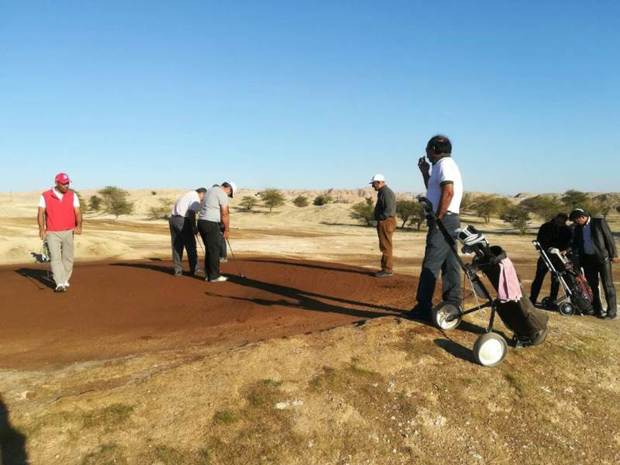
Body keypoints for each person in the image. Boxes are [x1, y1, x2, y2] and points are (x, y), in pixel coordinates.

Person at [408, 135, 463, 320]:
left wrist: (438, 218)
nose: (426, 153)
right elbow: (435, 190)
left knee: (431, 263)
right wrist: (425, 172)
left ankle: (423, 308)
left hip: (444, 219)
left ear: (434, 149)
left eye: (427, 149)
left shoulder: (445, 165)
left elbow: (448, 191)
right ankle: (453, 303)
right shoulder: (440, 166)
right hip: (449, 219)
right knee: (450, 264)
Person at [37, 172, 82, 292]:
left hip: (69, 231)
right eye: (64, 184)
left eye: (68, 183)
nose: (66, 186)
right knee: (55, 258)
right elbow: (41, 213)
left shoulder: (73, 195)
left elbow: (77, 212)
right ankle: (59, 283)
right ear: (57, 183)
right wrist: (42, 229)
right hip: (52, 232)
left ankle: (65, 278)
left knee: (68, 258)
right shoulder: (45, 195)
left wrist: (79, 226)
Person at [569, 208, 617, 319]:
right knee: (593, 286)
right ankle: (597, 309)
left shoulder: (599, 222)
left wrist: (613, 254)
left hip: (602, 259)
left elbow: (609, 238)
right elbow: (576, 244)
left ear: (582, 217)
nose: (575, 222)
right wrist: (568, 250)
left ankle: (611, 312)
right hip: (588, 261)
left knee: (607, 285)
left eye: (576, 220)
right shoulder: (578, 228)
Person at [529, 213, 572, 307]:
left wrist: (563, 251)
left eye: (563, 221)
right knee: (538, 278)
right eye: (559, 220)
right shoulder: (545, 226)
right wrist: (546, 250)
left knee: (556, 279)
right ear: (556, 218)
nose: (561, 222)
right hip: (545, 256)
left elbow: (568, 244)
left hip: (558, 258)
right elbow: (539, 240)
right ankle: (532, 299)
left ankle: (552, 300)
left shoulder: (567, 230)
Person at [198, 181, 237, 282]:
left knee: (210, 249)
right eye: (230, 194)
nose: (228, 195)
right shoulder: (222, 193)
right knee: (214, 250)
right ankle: (214, 276)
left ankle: (208, 274)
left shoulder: (210, 190)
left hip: (202, 222)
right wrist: (227, 229)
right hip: (211, 223)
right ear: (228, 189)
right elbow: (224, 213)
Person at [169, 188, 207, 277]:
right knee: (191, 245)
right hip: (183, 220)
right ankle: (195, 269)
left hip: (173, 219)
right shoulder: (195, 197)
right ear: (202, 193)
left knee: (177, 245)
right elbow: (191, 212)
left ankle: (177, 270)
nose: (203, 200)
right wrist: (194, 227)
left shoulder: (188, 194)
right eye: (203, 197)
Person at [370, 174, 396, 277]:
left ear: (379, 182)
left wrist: (380, 219)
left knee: (386, 246)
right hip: (385, 221)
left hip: (386, 222)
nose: (373, 186)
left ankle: (387, 269)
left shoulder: (385, 192)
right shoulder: (383, 192)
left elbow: (388, 209)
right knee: (385, 245)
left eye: (374, 183)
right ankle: (385, 268)